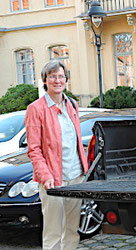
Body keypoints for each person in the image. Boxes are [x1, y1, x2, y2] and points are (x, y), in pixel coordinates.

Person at [25, 60, 88, 250]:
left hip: (76, 176)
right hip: (52, 179)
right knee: (53, 232)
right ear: (45, 80)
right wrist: (45, 176)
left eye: (61, 76)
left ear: (66, 80)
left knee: (72, 229)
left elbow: (76, 141)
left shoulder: (72, 105)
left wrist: (85, 171)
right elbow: (34, 149)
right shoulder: (36, 109)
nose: (57, 80)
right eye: (52, 76)